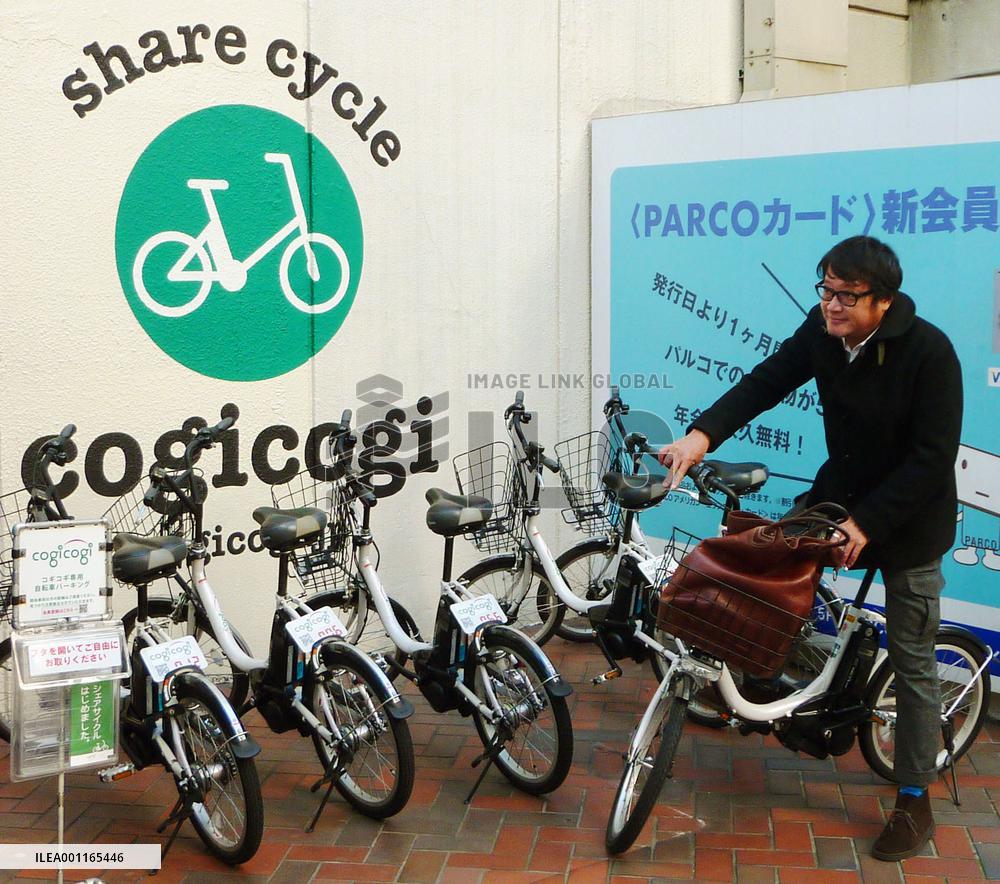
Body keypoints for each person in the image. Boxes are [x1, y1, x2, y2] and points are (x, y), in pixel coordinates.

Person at [658, 235, 962, 861]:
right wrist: (700, 436)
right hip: (837, 499)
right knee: (760, 569)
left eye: (846, 296)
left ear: (883, 301)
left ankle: (913, 798)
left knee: (911, 657)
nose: (830, 305)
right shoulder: (822, 332)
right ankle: (762, 688)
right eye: (824, 289)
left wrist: (868, 525)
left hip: (908, 522)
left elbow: (931, 460)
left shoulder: (930, 353)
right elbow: (765, 380)